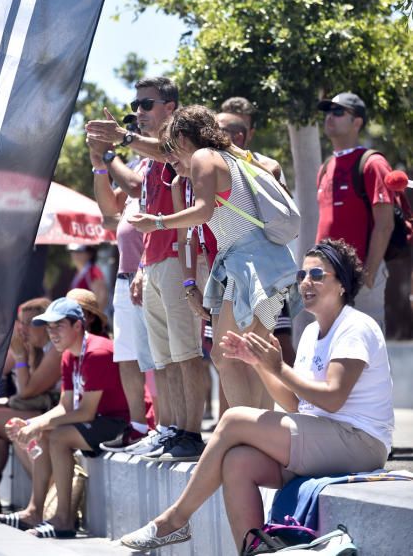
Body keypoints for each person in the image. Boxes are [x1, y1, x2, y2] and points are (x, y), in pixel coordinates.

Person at [120, 238, 394, 552]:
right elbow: (296, 405)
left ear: (343, 285)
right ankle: (254, 551)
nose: (306, 283)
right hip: (325, 439)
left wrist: (279, 369)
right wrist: (261, 366)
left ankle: (175, 520)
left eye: (317, 276)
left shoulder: (355, 327)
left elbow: (332, 398)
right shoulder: (309, 333)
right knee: (238, 462)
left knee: (234, 419)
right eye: (301, 276)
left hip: (360, 442)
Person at [129, 105, 298, 409]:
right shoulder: (230, 156)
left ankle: (248, 435)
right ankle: (263, 438)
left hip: (249, 263)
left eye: (169, 147)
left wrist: (156, 222)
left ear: (182, 137)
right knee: (251, 355)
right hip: (267, 263)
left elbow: (204, 210)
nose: (169, 159)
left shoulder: (203, 157)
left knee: (227, 354)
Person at [85, 77, 207, 463]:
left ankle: (190, 431)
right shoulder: (148, 155)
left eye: (146, 104)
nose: (138, 112)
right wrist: (105, 158)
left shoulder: (180, 144)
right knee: (164, 358)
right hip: (153, 262)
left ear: (170, 107)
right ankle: (171, 430)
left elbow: (168, 155)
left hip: (178, 257)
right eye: (136, 105)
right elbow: (128, 199)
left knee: (186, 353)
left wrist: (118, 143)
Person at [0, 297, 130, 537]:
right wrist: (32, 424)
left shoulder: (97, 352)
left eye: (58, 326)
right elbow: (65, 405)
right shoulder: (68, 354)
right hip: (98, 418)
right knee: (47, 431)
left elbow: (86, 411)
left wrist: (38, 425)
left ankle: (64, 520)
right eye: (49, 327)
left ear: (78, 326)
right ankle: (35, 511)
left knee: (58, 437)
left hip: (120, 423)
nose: (52, 333)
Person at [86, 141, 158, 450]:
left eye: (144, 106)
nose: (136, 119)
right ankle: (139, 427)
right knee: (128, 355)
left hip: (153, 269)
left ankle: (166, 427)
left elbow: (132, 186)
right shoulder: (139, 162)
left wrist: (109, 155)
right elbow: (108, 211)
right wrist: (99, 165)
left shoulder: (163, 159)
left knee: (160, 358)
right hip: (127, 274)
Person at [216, 106, 295, 366]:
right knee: (231, 355)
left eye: (218, 130)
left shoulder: (261, 163)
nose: (210, 134)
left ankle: (287, 405)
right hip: (232, 268)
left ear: (239, 136)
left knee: (262, 349)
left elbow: (273, 174)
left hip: (263, 267)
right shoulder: (214, 164)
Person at [0, 297, 60, 514]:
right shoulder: (37, 348)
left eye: (29, 323)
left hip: (54, 415)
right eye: (21, 323)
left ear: (47, 325)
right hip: (40, 410)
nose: (23, 329)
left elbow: (27, 391)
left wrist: (19, 355)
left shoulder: (55, 350)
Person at [316, 93, 395, 332]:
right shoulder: (326, 166)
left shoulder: (372, 163)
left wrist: (369, 274)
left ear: (357, 122)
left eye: (339, 112)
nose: (330, 117)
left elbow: (385, 224)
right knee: (329, 353)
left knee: (365, 353)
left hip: (360, 277)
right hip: (327, 278)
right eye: (328, 112)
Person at [67, 244, 108, 314]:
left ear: (90, 254)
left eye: (79, 251)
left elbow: (102, 298)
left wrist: (94, 319)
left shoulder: (93, 272)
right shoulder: (78, 272)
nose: (75, 254)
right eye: (72, 251)